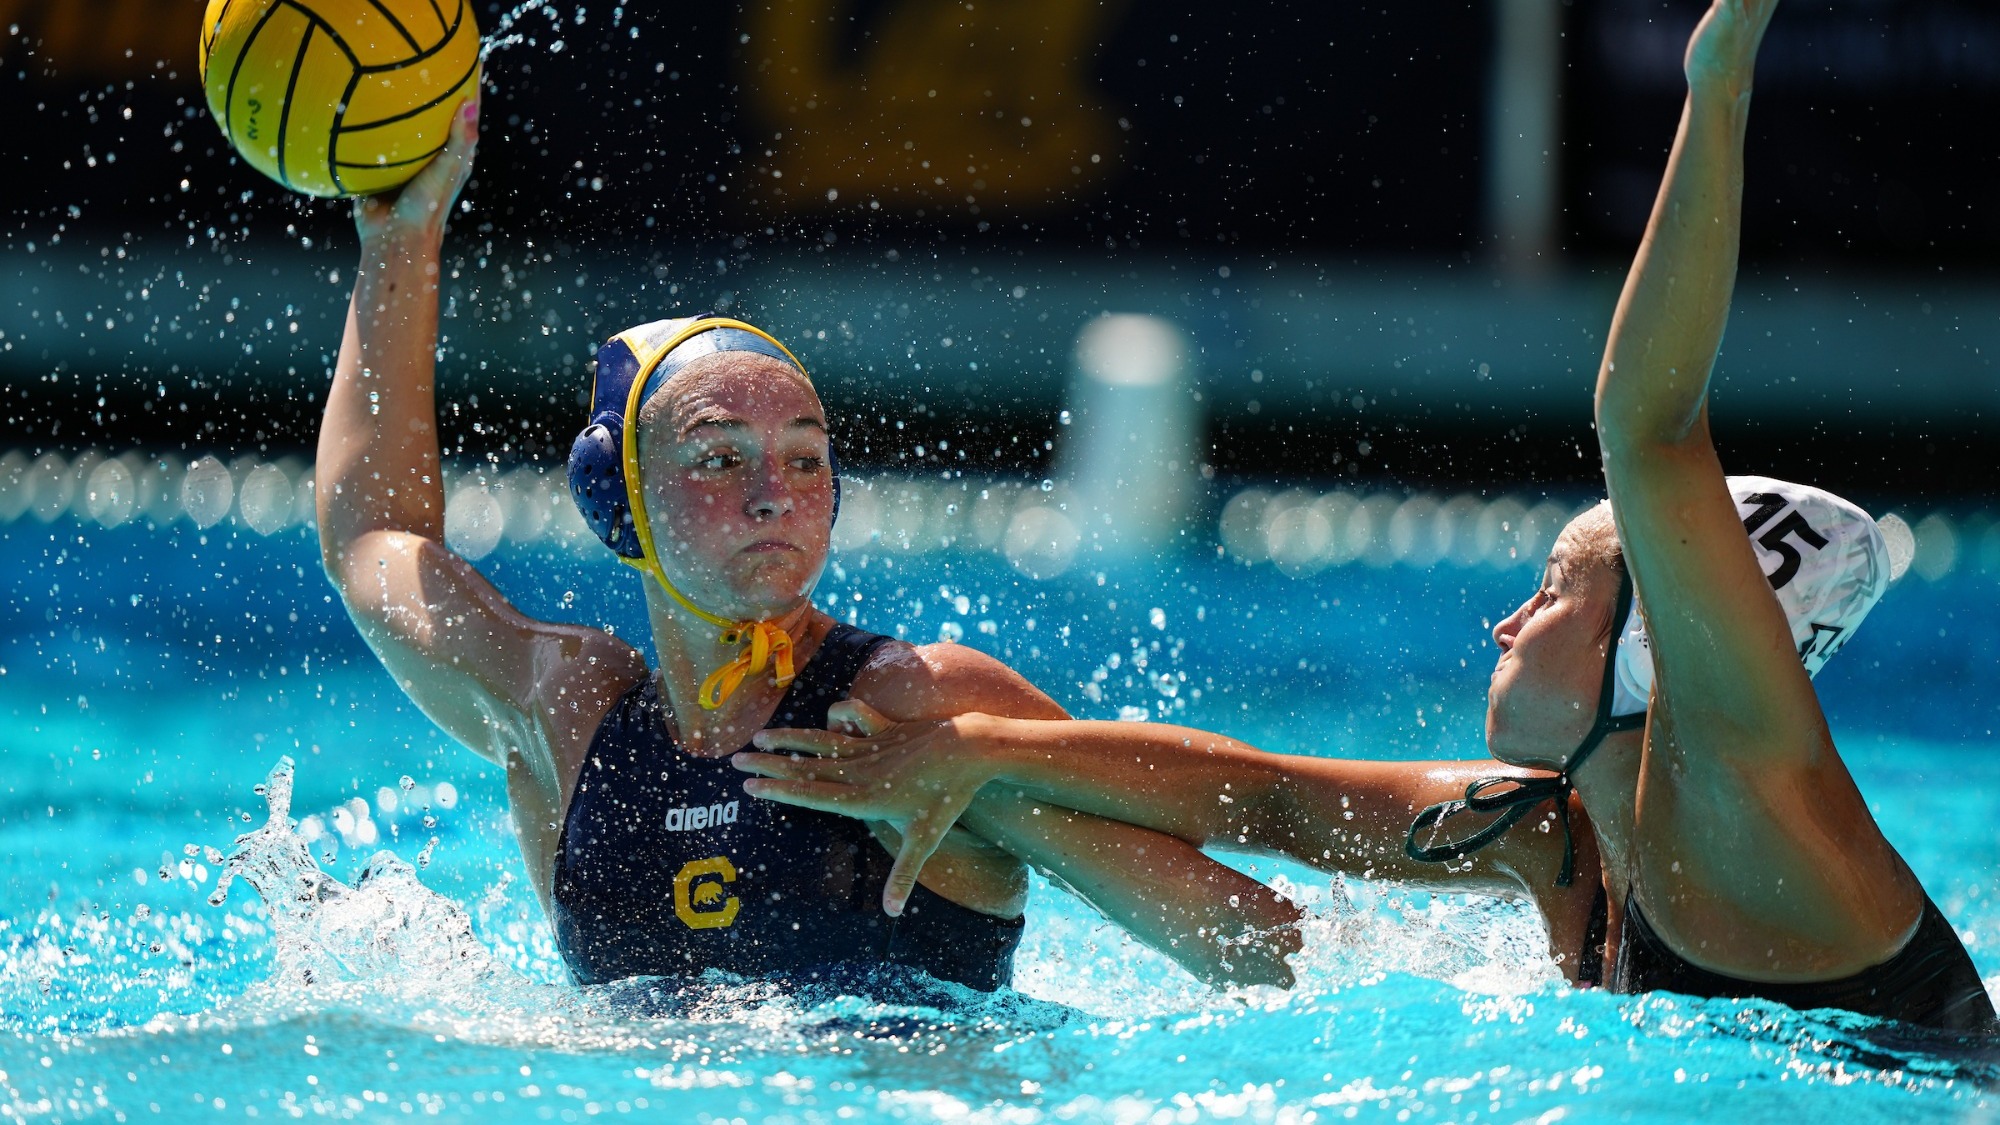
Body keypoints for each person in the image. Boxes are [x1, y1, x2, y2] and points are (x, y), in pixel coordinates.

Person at [734, 0, 1997, 1033]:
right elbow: (1272, 803)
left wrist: (1715, 79)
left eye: (1554, 593)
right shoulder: (1560, 833)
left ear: (1660, 640)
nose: (1505, 622)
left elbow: (1649, 428)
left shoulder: (1745, 802)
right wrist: (970, 754)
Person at [315, 96, 1302, 995]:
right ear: (614, 504)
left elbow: (1247, 939)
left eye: (802, 460)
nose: (770, 498)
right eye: (717, 459)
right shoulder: (565, 715)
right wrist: (403, 240)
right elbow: (370, 542)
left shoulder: (913, 706)